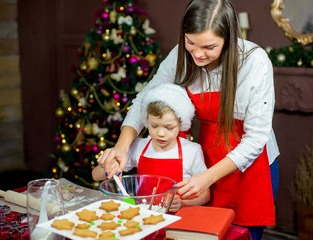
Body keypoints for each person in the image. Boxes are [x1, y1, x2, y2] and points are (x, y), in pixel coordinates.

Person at [98, 0, 279, 239]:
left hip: (250, 165)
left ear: (229, 38)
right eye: (190, 42)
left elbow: (256, 137)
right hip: (204, 157)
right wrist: (122, 146)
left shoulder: (254, 62)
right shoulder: (181, 55)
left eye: (209, 47)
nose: (197, 54)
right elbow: (145, 99)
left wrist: (207, 178)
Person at [93, 83, 210, 212]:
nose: (160, 133)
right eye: (154, 126)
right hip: (144, 218)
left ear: (181, 124)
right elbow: (95, 176)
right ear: (146, 120)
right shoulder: (138, 146)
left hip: (178, 223)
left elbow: (205, 195)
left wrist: (183, 203)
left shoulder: (191, 151)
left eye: (169, 128)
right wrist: (107, 166)